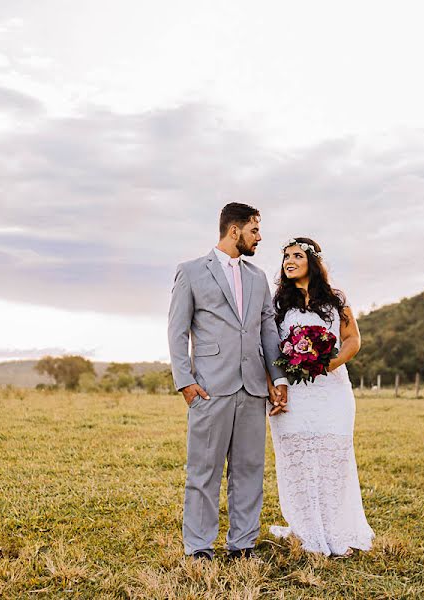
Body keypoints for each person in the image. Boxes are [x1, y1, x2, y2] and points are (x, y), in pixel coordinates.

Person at [167, 202, 289, 561]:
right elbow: (177, 332)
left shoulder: (258, 277)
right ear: (234, 230)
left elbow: (268, 330)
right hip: (209, 388)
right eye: (254, 230)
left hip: (252, 389)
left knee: (250, 470)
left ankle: (243, 544)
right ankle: (199, 547)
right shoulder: (190, 272)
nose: (259, 237)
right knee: (203, 471)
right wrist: (185, 382)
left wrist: (277, 377)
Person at [267, 236, 375, 556]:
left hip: (332, 391)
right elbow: (269, 346)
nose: (289, 260)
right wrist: (275, 385)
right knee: (296, 461)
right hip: (294, 393)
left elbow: (352, 339)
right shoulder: (277, 304)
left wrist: (330, 364)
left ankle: (336, 527)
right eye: (286, 256)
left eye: (297, 255)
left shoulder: (335, 300)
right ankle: (306, 529)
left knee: (332, 458)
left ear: (312, 262)